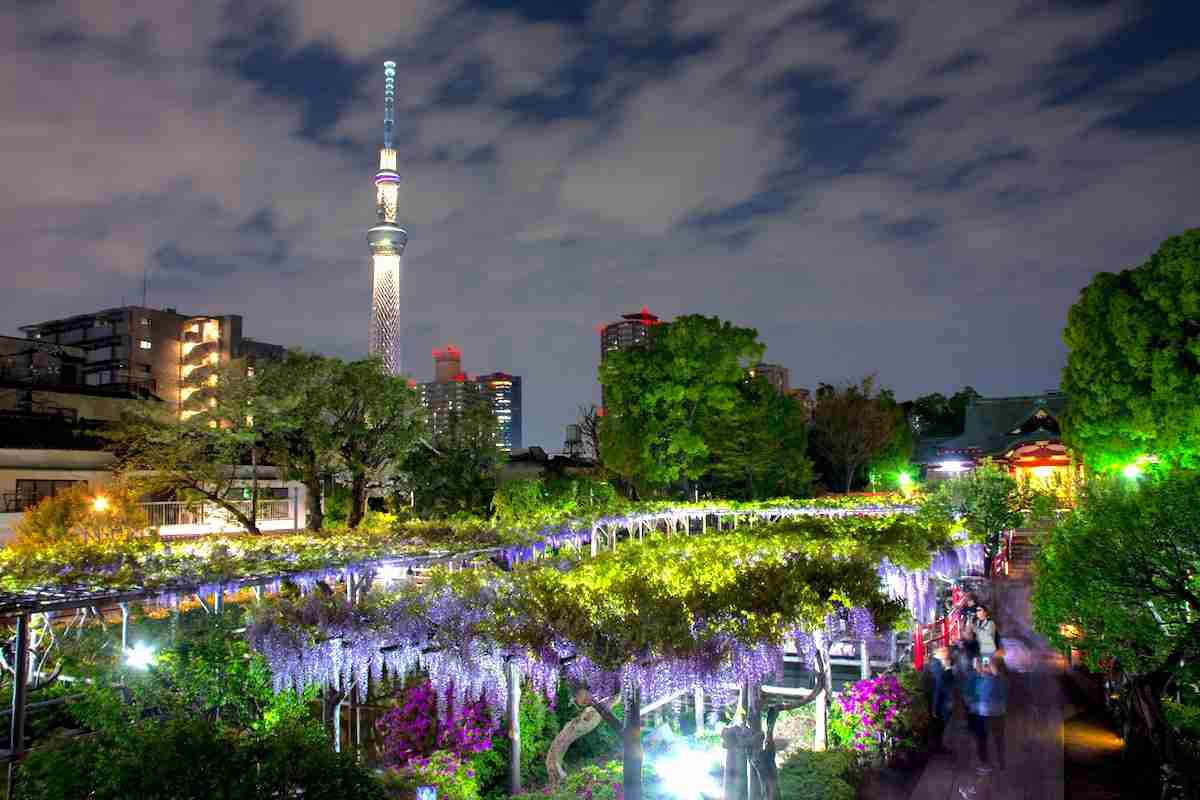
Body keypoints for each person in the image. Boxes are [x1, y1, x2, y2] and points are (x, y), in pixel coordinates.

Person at [969, 658, 1008, 773]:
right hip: (1000, 714)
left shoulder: (988, 682)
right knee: (998, 739)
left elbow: (978, 693)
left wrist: (979, 673)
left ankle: (985, 764)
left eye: (988, 665)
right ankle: (1001, 762)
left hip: (985, 714)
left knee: (982, 739)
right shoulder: (1003, 680)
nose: (985, 667)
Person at [928, 646, 955, 755]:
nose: (948, 654)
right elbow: (940, 686)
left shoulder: (938, 662)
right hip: (942, 701)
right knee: (940, 725)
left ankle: (938, 746)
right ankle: (938, 747)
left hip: (944, 700)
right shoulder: (937, 665)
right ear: (941, 651)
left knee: (941, 726)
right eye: (946, 651)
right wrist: (948, 668)